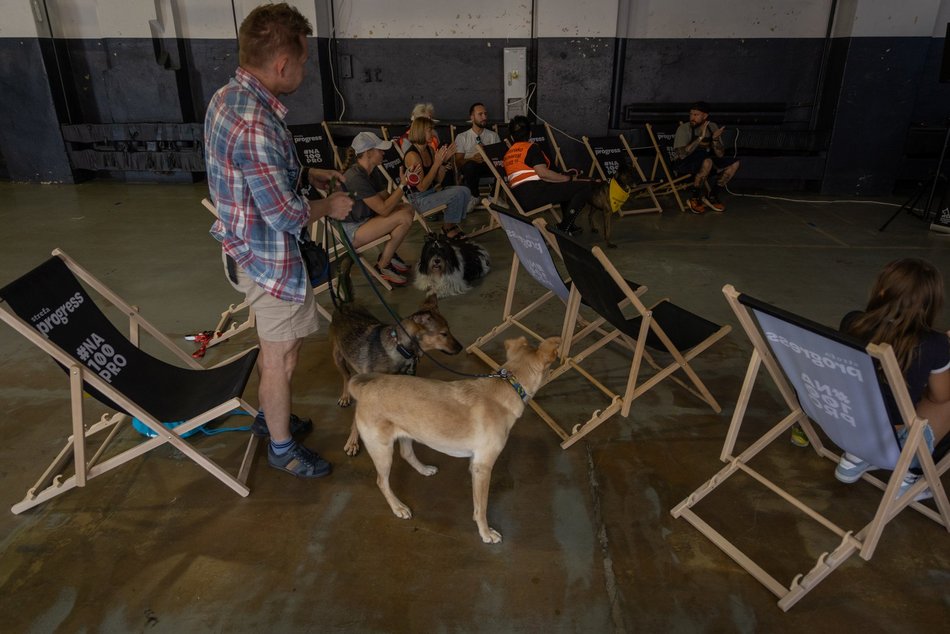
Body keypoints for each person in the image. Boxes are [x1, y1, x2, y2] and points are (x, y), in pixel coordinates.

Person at [205, 3, 354, 479]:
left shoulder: (228, 98)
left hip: (244, 246)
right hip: (268, 260)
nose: (306, 68)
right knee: (281, 358)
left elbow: (256, 172)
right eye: (305, 60)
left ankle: (276, 418)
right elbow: (286, 214)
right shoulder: (256, 124)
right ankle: (282, 446)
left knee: (281, 354)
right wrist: (330, 207)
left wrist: (308, 171)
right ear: (282, 64)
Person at [834, 258, 950, 500]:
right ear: (929, 305)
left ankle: (856, 457)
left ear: (882, 290)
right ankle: (909, 475)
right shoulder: (933, 345)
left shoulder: (852, 322)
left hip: (847, 424)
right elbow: (941, 396)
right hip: (893, 441)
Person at [340, 132, 415, 286]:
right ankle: (383, 266)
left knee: (407, 208)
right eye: (379, 149)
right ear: (368, 153)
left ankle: (388, 255)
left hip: (365, 221)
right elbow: (384, 210)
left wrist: (404, 185)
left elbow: (387, 201)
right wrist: (402, 186)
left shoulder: (371, 171)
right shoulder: (356, 177)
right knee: (404, 217)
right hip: (351, 231)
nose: (383, 152)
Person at [502, 115, 593, 234]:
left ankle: (568, 225)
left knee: (565, 186)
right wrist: (569, 178)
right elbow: (543, 173)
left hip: (520, 199)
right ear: (530, 134)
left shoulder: (508, 154)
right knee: (585, 186)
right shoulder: (531, 148)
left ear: (512, 137)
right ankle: (564, 228)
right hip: (535, 194)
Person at [402, 116, 473, 240]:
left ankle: (451, 224)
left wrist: (443, 162)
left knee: (465, 190)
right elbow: (422, 187)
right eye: (429, 130)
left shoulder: (429, 149)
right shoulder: (413, 155)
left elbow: (438, 180)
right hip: (418, 200)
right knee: (457, 194)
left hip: (431, 192)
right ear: (421, 131)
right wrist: (436, 163)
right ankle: (447, 228)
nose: (432, 133)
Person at [672, 101, 740, 214]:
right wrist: (700, 138)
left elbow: (720, 154)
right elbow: (682, 155)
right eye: (691, 114)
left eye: (696, 115)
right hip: (684, 163)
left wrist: (715, 139)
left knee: (734, 163)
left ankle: (712, 196)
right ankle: (694, 198)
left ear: (705, 116)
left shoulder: (712, 126)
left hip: (705, 160)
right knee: (707, 161)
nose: (692, 117)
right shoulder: (684, 128)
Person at [454, 102, 501, 197]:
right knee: (470, 166)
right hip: (471, 168)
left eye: (485, 114)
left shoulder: (493, 135)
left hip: (489, 166)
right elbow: (458, 163)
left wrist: (488, 156)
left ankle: (494, 197)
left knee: (503, 166)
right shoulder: (462, 137)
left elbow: (500, 158)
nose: (484, 117)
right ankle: (474, 196)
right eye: (480, 114)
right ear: (472, 117)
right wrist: (472, 159)